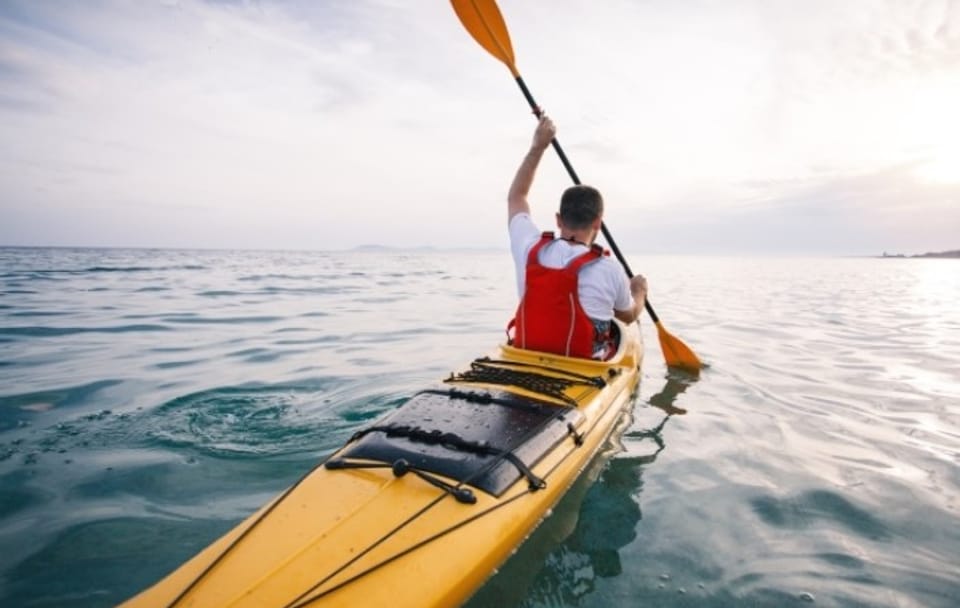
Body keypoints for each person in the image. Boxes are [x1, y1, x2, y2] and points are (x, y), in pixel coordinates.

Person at [507, 114, 648, 359]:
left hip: (526, 358)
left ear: (558, 220)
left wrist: (538, 147)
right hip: (584, 369)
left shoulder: (529, 247)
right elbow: (628, 315)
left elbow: (516, 197)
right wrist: (639, 292)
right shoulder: (610, 269)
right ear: (598, 223)